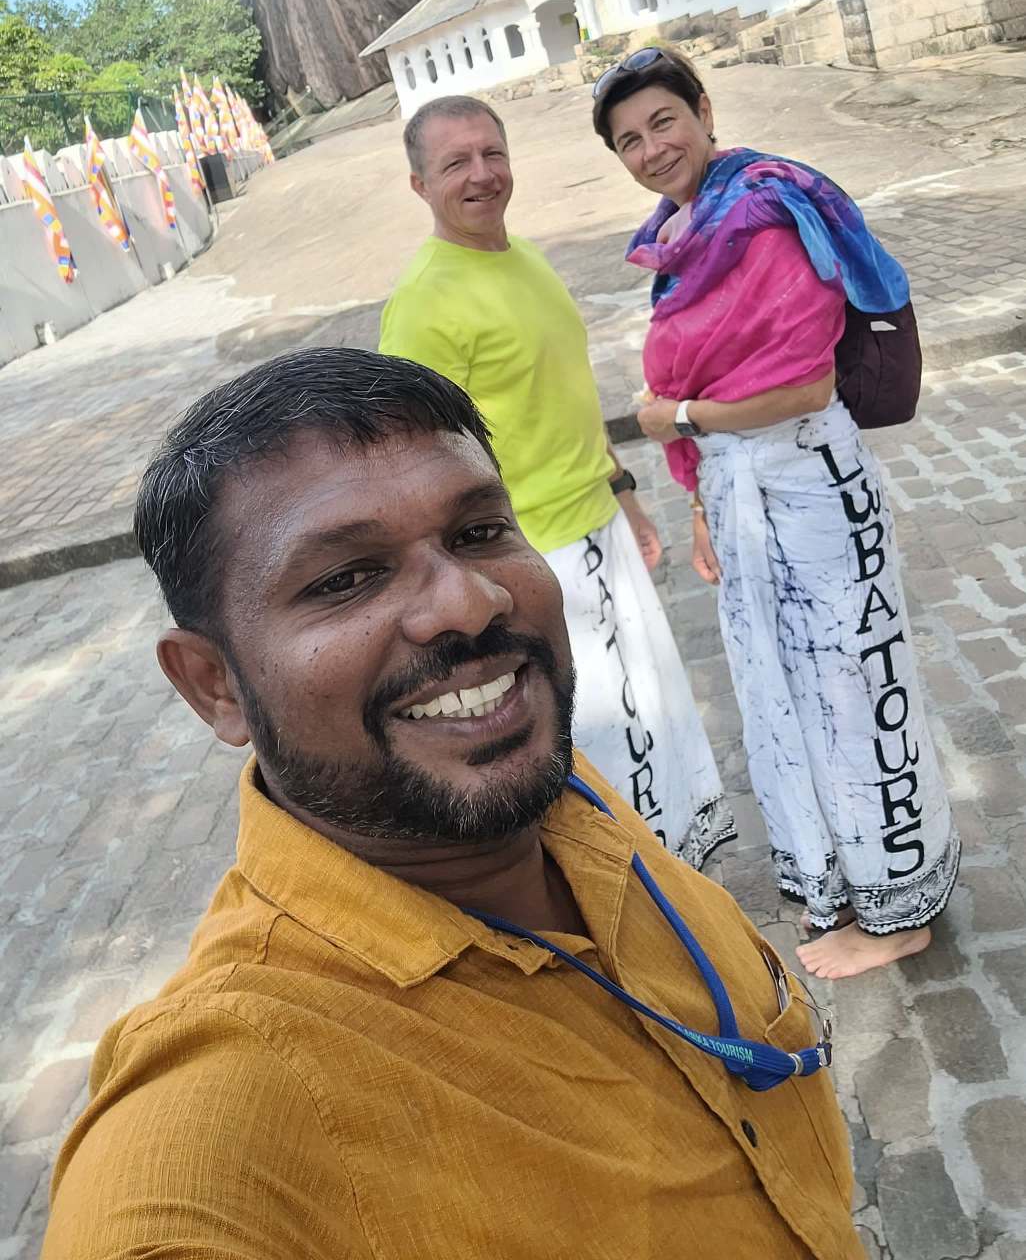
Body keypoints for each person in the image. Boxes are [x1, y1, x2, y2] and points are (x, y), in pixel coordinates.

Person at [44, 348, 863, 1259]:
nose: (470, 604)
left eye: (478, 532)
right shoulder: (225, 1111)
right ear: (214, 684)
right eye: (345, 578)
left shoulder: (545, 785)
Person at [592, 47, 959, 982]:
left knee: (853, 690)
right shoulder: (685, 232)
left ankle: (899, 913)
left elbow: (803, 386)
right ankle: (843, 880)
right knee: (787, 693)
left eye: (664, 121)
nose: (651, 149)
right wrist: (701, 499)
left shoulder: (760, 215)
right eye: (629, 140)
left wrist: (676, 419)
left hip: (809, 486)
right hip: (743, 490)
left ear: (704, 110)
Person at [378, 94, 733, 869]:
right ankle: (623, 893)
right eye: (456, 163)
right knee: (598, 744)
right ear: (419, 185)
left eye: (492, 154)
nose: (482, 175)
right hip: (534, 556)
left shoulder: (524, 256)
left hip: (597, 526)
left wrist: (624, 492)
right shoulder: (424, 304)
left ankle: (672, 881)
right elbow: (415, 467)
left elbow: (565, 398)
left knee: (652, 715)